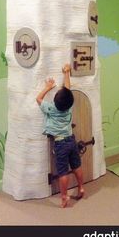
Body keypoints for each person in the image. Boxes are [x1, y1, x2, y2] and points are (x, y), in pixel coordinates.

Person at [36, 63, 84, 208]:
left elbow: (38, 99)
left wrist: (48, 87)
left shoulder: (51, 108)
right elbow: (68, 89)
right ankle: (81, 187)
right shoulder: (69, 107)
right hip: (71, 140)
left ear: (55, 101)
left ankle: (64, 196)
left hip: (60, 144)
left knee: (63, 172)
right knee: (76, 165)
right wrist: (66, 73)